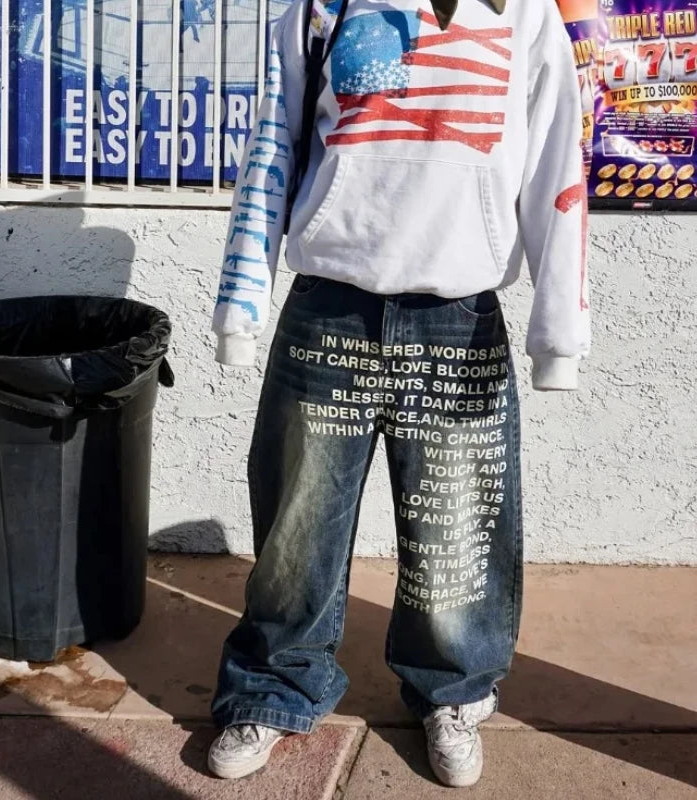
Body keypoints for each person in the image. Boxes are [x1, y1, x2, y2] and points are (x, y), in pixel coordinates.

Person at [208, 0, 589, 788]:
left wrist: (559, 334)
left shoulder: (520, 14)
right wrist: (240, 302)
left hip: (456, 313)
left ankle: (452, 691)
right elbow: (273, 145)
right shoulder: (324, 8)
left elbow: (559, 163)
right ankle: (275, 688)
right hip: (330, 303)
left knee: (457, 536)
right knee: (295, 528)